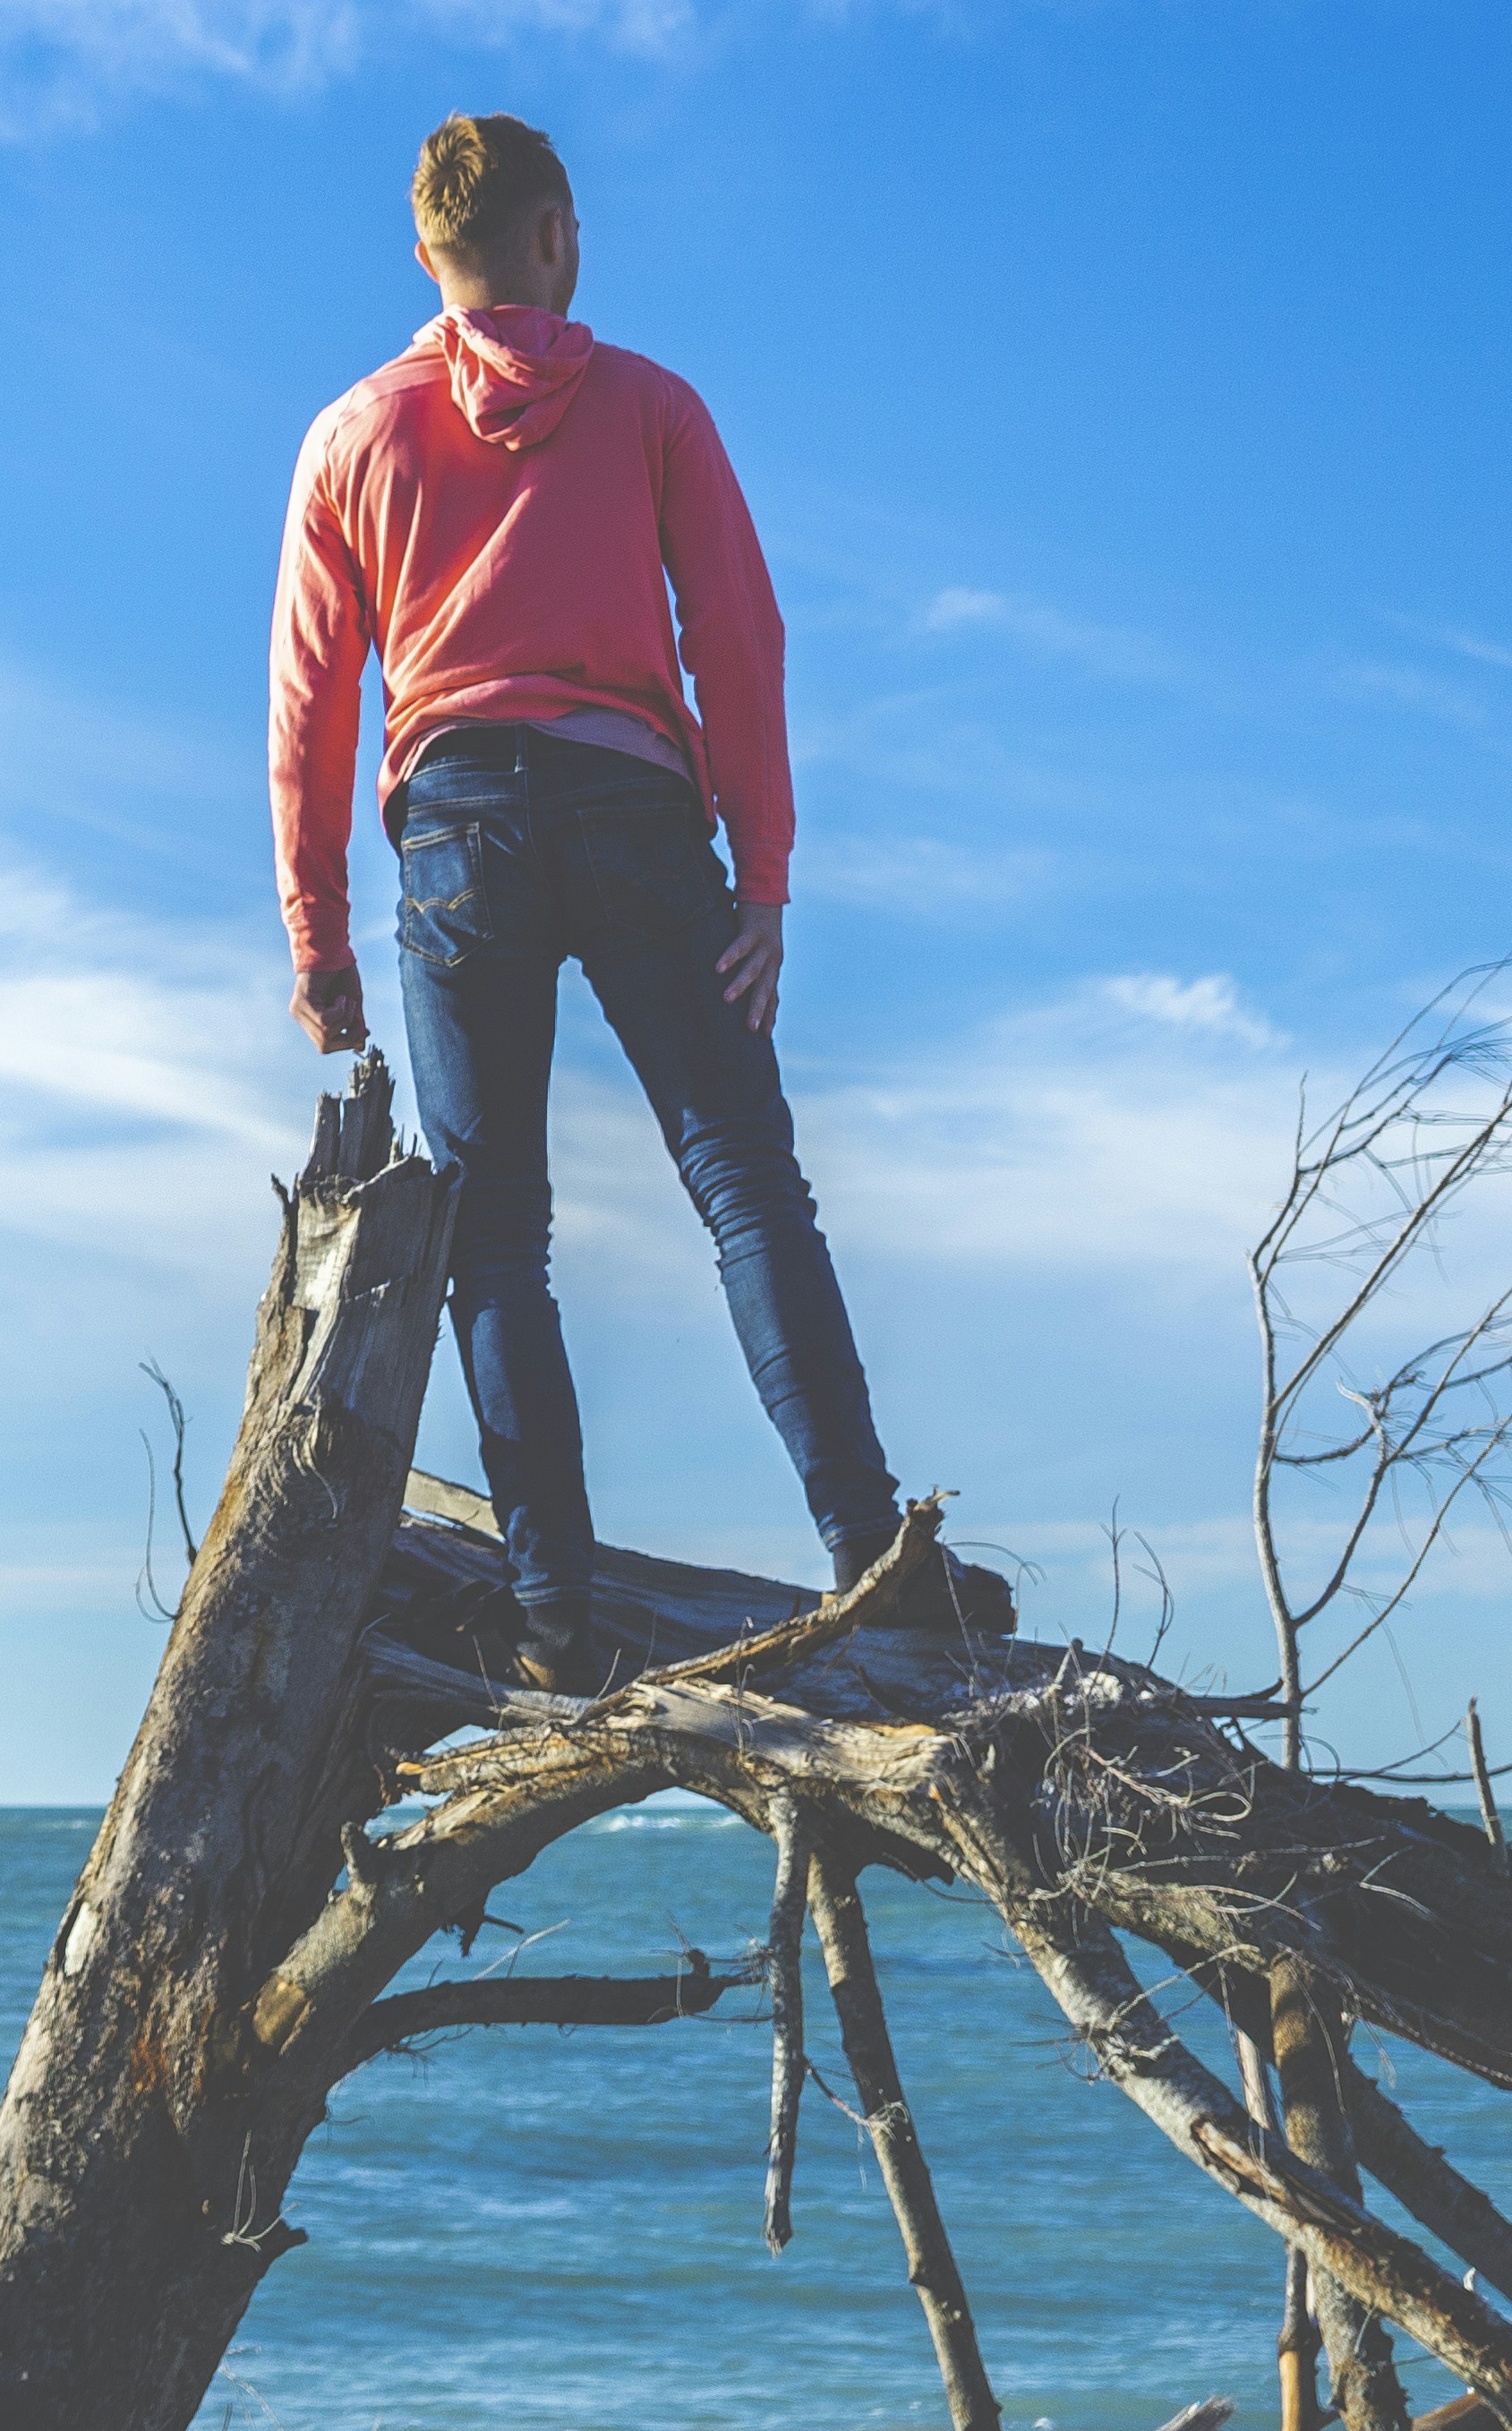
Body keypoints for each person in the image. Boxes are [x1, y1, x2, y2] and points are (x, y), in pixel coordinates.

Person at [266, 111, 987, 1688]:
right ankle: (870, 1555)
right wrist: (768, 876)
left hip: (454, 832)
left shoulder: (347, 437)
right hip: (637, 813)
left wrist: (315, 941)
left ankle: (551, 1616)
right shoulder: (653, 407)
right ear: (559, 232)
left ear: (422, 257)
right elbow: (738, 635)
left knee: (494, 1241)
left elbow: (309, 706)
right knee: (743, 1182)